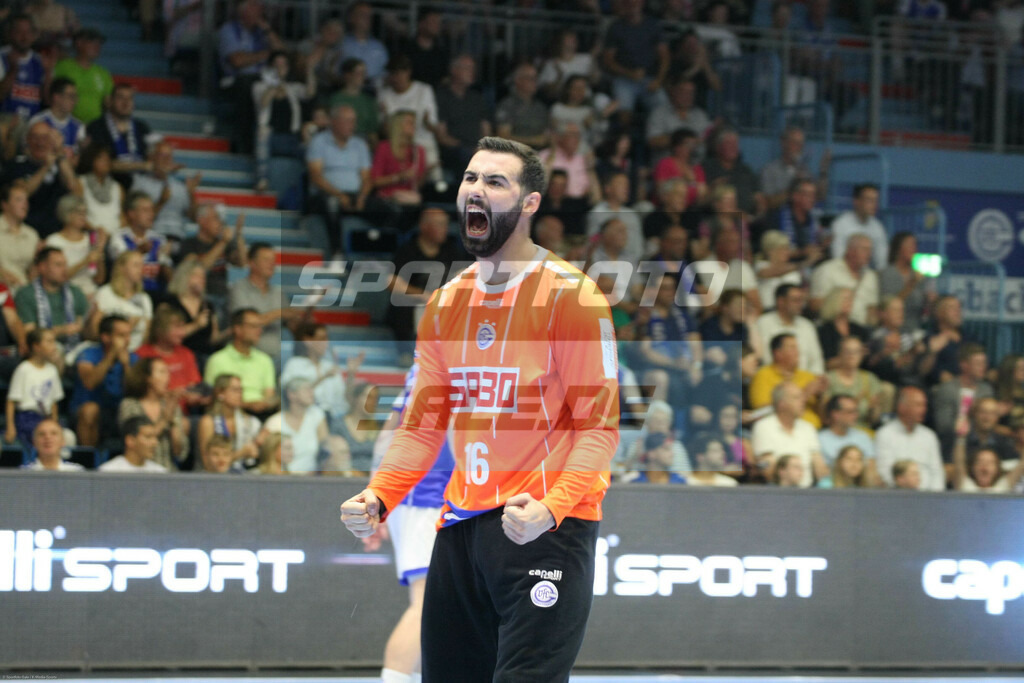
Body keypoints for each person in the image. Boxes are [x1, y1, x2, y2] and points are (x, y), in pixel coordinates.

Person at [340, 136, 620, 682]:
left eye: (495, 182)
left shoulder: (574, 296)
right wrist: (381, 494)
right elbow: (422, 426)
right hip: (461, 528)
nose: (476, 191)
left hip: (544, 527)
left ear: (529, 203)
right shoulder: (446, 303)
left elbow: (599, 429)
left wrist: (551, 507)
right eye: (471, 179)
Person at [362, 362, 455, 683]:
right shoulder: (440, 364)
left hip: (427, 501)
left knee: (440, 611)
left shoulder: (425, 367)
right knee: (425, 603)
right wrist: (379, 499)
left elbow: (389, 430)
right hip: (423, 500)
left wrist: (379, 498)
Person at [384, 207, 465, 360]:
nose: (445, 229)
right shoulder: (408, 250)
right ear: (424, 227)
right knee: (400, 303)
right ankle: (406, 353)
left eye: (446, 225)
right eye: (440, 225)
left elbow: (463, 279)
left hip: (443, 302)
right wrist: (424, 296)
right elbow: (391, 282)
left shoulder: (451, 250)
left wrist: (442, 297)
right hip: (415, 304)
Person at [306, 104, 372, 260]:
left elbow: (367, 178)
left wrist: (362, 197)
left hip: (356, 195)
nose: (352, 125)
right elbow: (315, 177)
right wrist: (339, 195)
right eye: (348, 121)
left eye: (353, 121)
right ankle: (337, 252)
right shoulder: (319, 141)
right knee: (332, 204)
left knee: (390, 209)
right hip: (326, 194)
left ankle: (379, 255)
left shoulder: (360, 144)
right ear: (334, 122)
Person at [217, 0, 283, 154]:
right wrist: (266, 55)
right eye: (255, 6)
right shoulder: (229, 29)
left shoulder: (262, 33)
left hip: (263, 79)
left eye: (261, 7)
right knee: (248, 85)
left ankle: (275, 146)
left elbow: (281, 54)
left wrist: (267, 30)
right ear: (243, 10)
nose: (260, 10)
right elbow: (237, 61)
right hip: (234, 81)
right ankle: (244, 146)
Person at [0, 120, 82, 239]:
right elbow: (23, 192)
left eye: (45, 138)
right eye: (35, 138)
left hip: (56, 233)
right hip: (24, 231)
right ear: (27, 140)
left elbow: (75, 190)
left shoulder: (60, 166)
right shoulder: (16, 164)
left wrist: (60, 154)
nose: (40, 143)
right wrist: (45, 167)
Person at [252, 50, 317, 191]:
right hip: (271, 138)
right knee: (262, 134)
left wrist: (309, 69)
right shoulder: (259, 86)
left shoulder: (293, 88)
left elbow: (309, 93)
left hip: (291, 138)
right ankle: (262, 179)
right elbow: (263, 102)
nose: (280, 69)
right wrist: (275, 82)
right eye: (276, 65)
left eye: (283, 66)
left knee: (313, 147)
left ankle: (313, 187)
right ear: (270, 68)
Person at [229, 241, 303, 362]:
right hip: (247, 355)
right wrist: (280, 312)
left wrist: (309, 309)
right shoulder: (239, 288)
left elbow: (293, 327)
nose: (272, 264)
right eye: (266, 259)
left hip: (276, 356)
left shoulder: (278, 292)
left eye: (273, 260)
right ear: (252, 263)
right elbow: (246, 322)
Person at [281, 320, 363, 424]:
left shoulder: (330, 367)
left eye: (327, 339)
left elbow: (345, 400)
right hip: (304, 418)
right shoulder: (295, 364)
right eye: (321, 339)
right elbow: (289, 393)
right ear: (308, 340)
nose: (326, 343)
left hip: (334, 419)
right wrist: (323, 378)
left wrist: (351, 375)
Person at [601, 0, 670, 122]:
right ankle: (624, 138)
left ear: (642, 3)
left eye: (636, 2)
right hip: (624, 79)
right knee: (623, 109)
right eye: (629, 2)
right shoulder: (616, 27)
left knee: (664, 109)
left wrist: (659, 80)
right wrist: (629, 73)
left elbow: (664, 56)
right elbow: (608, 61)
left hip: (650, 79)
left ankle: (657, 138)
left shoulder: (653, 25)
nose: (632, 5)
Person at [71, 314, 135, 447]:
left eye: (129, 335)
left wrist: (126, 366)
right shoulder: (88, 354)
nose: (127, 340)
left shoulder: (133, 358)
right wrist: (111, 355)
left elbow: (135, 391)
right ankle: (88, 461)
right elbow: (90, 383)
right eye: (122, 335)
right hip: (87, 412)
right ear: (106, 337)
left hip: (119, 412)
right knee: (90, 409)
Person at [118, 357, 189, 470]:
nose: (167, 377)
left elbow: (180, 453)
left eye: (167, 372)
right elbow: (136, 439)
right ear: (148, 378)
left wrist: (173, 422)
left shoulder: (172, 407)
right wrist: (165, 419)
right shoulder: (129, 405)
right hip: (137, 470)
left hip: (167, 471)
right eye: (162, 372)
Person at [203, 308, 278, 416]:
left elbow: (269, 395)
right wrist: (247, 405)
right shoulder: (217, 360)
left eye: (260, 326)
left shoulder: (265, 360)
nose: (259, 331)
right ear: (237, 329)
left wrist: (264, 404)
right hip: (228, 415)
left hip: (262, 414)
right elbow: (212, 399)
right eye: (253, 326)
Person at [750, 381, 827, 487]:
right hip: (777, 491)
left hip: (809, 492)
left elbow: (820, 466)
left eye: (802, 397)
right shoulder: (764, 426)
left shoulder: (808, 428)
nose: (803, 401)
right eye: (796, 398)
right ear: (782, 404)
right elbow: (767, 469)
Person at [174, 203, 247, 308]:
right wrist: (223, 242)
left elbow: (242, 263)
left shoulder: (221, 243)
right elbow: (201, 267)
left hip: (223, 296)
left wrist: (239, 234)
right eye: (216, 219)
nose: (220, 223)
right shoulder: (189, 244)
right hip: (201, 297)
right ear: (202, 221)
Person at [14, 246, 88, 348]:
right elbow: (30, 334)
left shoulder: (75, 292)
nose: (65, 269)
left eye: (65, 264)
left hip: (75, 348)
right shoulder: (26, 294)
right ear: (42, 268)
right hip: (42, 350)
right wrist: (61, 330)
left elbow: (82, 325)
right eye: (58, 265)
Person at [931, 342, 994, 459]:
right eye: (978, 363)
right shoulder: (947, 389)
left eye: (984, 363)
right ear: (964, 365)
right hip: (952, 444)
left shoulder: (986, 389)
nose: (983, 367)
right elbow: (943, 426)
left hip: (980, 442)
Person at [263, 376, 339, 474]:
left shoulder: (317, 415)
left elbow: (326, 450)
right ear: (291, 394)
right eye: (307, 390)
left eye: (312, 389)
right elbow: (266, 457)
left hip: (311, 478)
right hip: (280, 478)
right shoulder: (274, 422)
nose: (312, 393)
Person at [875, 386, 945, 491]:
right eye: (918, 405)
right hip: (897, 496)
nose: (923, 409)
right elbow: (885, 471)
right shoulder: (885, 434)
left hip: (929, 497)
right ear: (902, 407)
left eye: (924, 405)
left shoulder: (929, 436)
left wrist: (935, 497)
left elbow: (937, 472)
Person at [749, 332, 826, 428]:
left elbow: (825, 417)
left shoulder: (808, 376)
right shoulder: (763, 375)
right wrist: (804, 395)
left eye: (797, 348)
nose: (797, 352)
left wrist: (821, 396)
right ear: (778, 353)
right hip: (781, 430)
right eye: (792, 348)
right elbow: (762, 411)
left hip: (814, 430)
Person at [131, 141, 202, 244]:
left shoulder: (180, 186)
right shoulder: (140, 184)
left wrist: (191, 194)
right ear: (152, 158)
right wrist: (161, 202)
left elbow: (194, 218)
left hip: (178, 238)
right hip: (151, 238)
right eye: (162, 155)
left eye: (169, 156)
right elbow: (135, 219)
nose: (166, 160)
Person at [136, 303, 204, 409]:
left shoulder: (186, 353)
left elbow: (194, 386)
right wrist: (172, 394)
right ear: (160, 329)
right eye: (177, 327)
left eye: (182, 327)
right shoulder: (142, 354)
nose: (182, 332)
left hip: (183, 414)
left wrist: (195, 397)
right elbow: (139, 390)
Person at [434, 54, 491, 177]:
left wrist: (483, 148)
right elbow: (442, 136)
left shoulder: (477, 98)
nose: (472, 72)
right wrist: (468, 149)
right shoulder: (442, 97)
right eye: (467, 68)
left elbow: (486, 129)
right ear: (454, 70)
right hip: (454, 151)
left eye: (473, 69)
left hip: (478, 149)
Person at [4, 328, 63, 446]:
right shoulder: (24, 369)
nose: (54, 346)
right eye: (49, 342)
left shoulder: (52, 370)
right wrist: (10, 427)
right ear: (36, 346)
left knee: (66, 437)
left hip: (46, 418)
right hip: (26, 418)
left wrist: (54, 424)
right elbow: (11, 401)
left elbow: (53, 403)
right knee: (40, 435)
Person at [83, 84, 152, 184]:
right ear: (110, 101)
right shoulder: (97, 127)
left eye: (130, 98)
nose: (126, 102)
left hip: (140, 184)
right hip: (107, 182)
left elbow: (152, 156)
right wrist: (143, 165)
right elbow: (104, 164)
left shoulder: (142, 127)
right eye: (120, 97)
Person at [107, 191, 173, 294]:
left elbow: (167, 274)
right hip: (127, 291)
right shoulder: (119, 237)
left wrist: (164, 260)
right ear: (132, 214)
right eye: (145, 210)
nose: (151, 214)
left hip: (156, 293)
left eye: (152, 210)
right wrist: (139, 251)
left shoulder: (159, 239)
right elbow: (120, 265)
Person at [163, 259, 228, 362]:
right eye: (197, 276)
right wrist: (196, 325)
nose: (202, 279)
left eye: (203, 276)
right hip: (179, 355)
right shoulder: (171, 303)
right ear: (184, 277)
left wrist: (230, 331)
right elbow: (166, 334)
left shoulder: (207, 305)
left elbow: (213, 339)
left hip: (205, 355)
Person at [196, 373, 263, 471]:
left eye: (241, 390)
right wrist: (241, 454)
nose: (240, 394)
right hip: (213, 479)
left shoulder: (249, 422)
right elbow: (208, 464)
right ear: (220, 393)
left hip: (243, 475)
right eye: (235, 390)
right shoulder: (209, 422)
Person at [810, 233, 879, 326]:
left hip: (861, 331)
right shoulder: (827, 270)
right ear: (851, 250)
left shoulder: (870, 276)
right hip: (832, 328)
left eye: (870, 250)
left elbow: (872, 309)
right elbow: (815, 306)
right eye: (865, 249)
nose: (869, 254)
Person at [89, 250, 153, 350]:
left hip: (135, 353)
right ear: (121, 268)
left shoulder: (145, 299)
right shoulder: (105, 293)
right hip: (106, 350)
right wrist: (125, 329)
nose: (141, 270)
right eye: (136, 265)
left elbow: (147, 335)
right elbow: (94, 331)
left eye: (142, 265)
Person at [756, 283, 826, 374]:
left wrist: (814, 381)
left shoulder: (807, 325)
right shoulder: (763, 323)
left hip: (806, 381)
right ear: (781, 301)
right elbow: (764, 358)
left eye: (802, 300)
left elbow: (816, 361)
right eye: (796, 300)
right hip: (773, 379)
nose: (801, 304)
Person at [45, 193, 105, 297]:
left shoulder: (90, 240)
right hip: (64, 293)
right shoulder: (54, 241)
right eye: (79, 213)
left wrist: (100, 248)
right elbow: (56, 277)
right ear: (66, 214)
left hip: (90, 292)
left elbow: (99, 279)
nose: (83, 217)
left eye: (85, 213)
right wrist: (85, 261)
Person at [823, 336, 887, 431]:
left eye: (856, 352)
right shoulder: (828, 379)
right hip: (835, 431)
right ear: (840, 354)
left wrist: (874, 408)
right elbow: (825, 416)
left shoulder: (870, 379)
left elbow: (873, 420)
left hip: (863, 431)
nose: (851, 355)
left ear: (861, 354)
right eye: (847, 351)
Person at [759, 126, 830, 211]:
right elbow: (767, 202)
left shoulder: (805, 170)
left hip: (801, 220)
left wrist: (823, 171)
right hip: (777, 220)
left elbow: (820, 197)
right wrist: (794, 187)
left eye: (801, 144)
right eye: (795, 143)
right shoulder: (769, 170)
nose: (799, 148)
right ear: (784, 143)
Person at [370, 110, 428, 213]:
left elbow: (418, 184)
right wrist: (399, 177)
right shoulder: (384, 148)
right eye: (410, 123)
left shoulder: (418, 151)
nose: (414, 126)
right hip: (386, 200)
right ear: (398, 125)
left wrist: (425, 173)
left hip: (409, 199)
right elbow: (375, 181)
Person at [879, 231, 936, 333]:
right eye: (909, 245)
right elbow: (891, 304)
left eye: (915, 245)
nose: (914, 249)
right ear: (898, 248)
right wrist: (911, 284)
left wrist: (931, 300)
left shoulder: (919, 275)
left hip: (916, 328)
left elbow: (924, 308)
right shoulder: (888, 273)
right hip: (893, 330)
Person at [759, 177, 825, 263]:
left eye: (814, 195)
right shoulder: (776, 218)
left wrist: (822, 245)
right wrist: (803, 252)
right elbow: (773, 253)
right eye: (807, 195)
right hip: (782, 269)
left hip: (808, 268)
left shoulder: (813, 220)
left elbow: (814, 247)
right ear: (795, 196)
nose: (812, 199)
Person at [52, 27, 111, 124]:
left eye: (99, 43)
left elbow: (108, 103)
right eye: (92, 42)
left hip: (94, 127)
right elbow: (51, 95)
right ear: (79, 43)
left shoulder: (103, 73)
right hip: (66, 123)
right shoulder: (63, 67)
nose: (97, 46)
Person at [702, 128, 765, 218]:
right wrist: (712, 189)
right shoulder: (707, 167)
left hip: (748, 220)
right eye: (729, 143)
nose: (733, 147)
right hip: (718, 219)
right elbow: (701, 200)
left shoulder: (746, 170)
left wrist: (759, 211)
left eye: (736, 144)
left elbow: (759, 198)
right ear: (718, 147)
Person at [0, 14, 51, 123]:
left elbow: (47, 101)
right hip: (5, 121)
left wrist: (48, 72)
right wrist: (13, 70)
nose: (24, 37)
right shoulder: (2, 57)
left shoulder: (40, 61)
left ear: (33, 35)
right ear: (10, 34)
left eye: (28, 32)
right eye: (19, 32)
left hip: (32, 124)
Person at [646, 77, 712, 159]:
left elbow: (708, 137)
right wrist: (682, 141)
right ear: (674, 92)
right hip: (668, 165)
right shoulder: (659, 113)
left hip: (697, 166)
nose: (688, 96)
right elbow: (652, 141)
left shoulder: (700, 115)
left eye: (691, 93)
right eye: (684, 92)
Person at [538, 122, 601, 206]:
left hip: (579, 204)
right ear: (560, 137)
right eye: (572, 135)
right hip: (552, 203)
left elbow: (594, 194)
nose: (577, 139)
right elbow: (539, 185)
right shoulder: (546, 156)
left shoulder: (582, 159)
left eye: (578, 136)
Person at [829, 183, 888, 270]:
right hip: (843, 272)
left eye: (876, 200)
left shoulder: (878, 227)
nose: (874, 204)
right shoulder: (840, 224)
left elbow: (881, 262)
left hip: (868, 275)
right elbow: (838, 257)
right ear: (856, 202)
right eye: (869, 200)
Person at [494, 63, 550, 150]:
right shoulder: (507, 105)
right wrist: (533, 140)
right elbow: (503, 137)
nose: (535, 82)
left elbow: (547, 135)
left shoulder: (540, 107)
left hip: (540, 155)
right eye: (530, 78)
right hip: (515, 154)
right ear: (518, 80)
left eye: (536, 78)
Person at [27, 76, 85, 158]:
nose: (75, 101)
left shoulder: (78, 126)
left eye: (75, 97)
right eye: (71, 96)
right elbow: (28, 150)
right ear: (57, 97)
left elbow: (78, 158)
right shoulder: (38, 121)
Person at [918, 295, 968, 386]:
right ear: (939, 313)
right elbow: (923, 371)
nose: (958, 311)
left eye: (959, 307)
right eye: (952, 308)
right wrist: (932, 351)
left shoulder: (969, 337)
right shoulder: (930, 338)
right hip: (942, 387)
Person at [817, 394, 876, 471]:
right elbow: (822, 474)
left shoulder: (863, 437)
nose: (855, 416)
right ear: (835, 414)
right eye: (850, 412)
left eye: (856, 411)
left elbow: (871, 469)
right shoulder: (819, 439)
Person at [328, 58, 379, 145]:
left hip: (363, 141)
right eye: (359, 73)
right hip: (339, 138)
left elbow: (372, 132)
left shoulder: (369, 101)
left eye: (364, 73)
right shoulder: (335, 99)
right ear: (348, 75)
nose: (363, 77)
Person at [651, 128, 706, 207]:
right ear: (677, 147)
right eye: (688, 145)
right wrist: (684, 181)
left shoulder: (697, 168)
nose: (692, 149)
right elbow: (661, 193)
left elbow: (702, 197)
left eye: (694, 145)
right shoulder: (665, 163)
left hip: (690, 209)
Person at [816, 287, 870, 369]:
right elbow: (826, 363)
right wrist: (854, 355)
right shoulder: (824, 331)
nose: (850, 302)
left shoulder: (859, 330)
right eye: (845, 299)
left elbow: (867, 361)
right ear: (834, 302)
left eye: (851, 299)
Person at [753, 230, 806, 312]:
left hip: (789, 311)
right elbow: (771, 273)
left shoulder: (793, 271)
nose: (787, 252)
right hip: (768, 310)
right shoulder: (761, 265)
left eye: (787, 249)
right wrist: (802, 264)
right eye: (783, 249)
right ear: (770, 251)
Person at [0, 184, 41, 288]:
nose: (25, 204)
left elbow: (32, 271)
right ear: (5, 204)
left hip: (23, 289)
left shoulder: (32, 234)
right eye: (19, 200)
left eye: (26, 200)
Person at [77, 143, 122, 236]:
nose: (106, 161)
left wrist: (117, 235)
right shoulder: (80, 183)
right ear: (91, 160)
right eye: (101, 158)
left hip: (115, 237)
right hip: (90, 235)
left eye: (108, 158)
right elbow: (77, 214)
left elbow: (122, 217)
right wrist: (95, 232)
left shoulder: (117, 187)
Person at [340, 1, 388, 87]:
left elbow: (386, 74)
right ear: (351, 18)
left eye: (369, 16)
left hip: (373, 92)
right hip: (345, 89)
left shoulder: (379, 46)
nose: (367, 19)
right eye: (362, 15)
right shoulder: (341, 43)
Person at [399, 8, 449, 87]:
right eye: (433, 22)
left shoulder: (441, 52)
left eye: (439, 22)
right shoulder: (407, 49)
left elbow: (444, 79)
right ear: (421, 24)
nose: (437, 25)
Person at [98, 415, 167, 473]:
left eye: (155, 438)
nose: (155, 443)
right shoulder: (108, 471)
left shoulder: (160, 473)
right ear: (130, 440)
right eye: (148, 437)